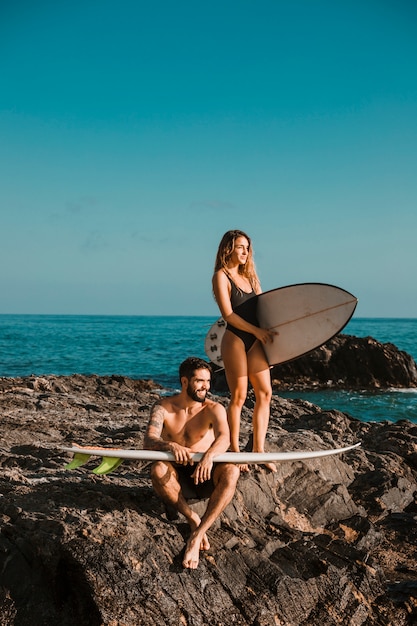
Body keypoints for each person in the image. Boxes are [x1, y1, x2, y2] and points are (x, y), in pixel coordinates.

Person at [144, 356, 240, 570]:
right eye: (199, 381)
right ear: (185, 382)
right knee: (157, 469)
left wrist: (209, 456)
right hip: (177, 478)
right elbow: (149, 440)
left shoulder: (214, 408)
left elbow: (224, 437)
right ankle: (192, 517)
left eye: (207, 381)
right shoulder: (163, 407)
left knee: (232, 472)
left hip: (205, 474)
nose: (205, 387)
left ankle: (197, 534)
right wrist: (171, 446)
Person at [212, 229, 277, 472]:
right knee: (239, 396)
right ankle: (235, 452)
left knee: (265, 393)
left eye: (247, 248)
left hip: (257, 341)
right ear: (228, 248)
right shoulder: (221, 276)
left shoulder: (251, 278)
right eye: (240, 247)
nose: (245, 252)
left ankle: (258, 450)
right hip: (236, 339)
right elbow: (228, 314)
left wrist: (271, 349)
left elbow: (263, 312)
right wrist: (256, 332)